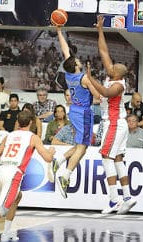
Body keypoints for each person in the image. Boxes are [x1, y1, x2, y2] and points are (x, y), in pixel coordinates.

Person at [0, 110, 55, 242]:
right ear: (31, 122)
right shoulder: (33, 137)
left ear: (18, 122)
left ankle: (6, 233)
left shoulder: (9, 136)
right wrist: (51, 151)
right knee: (2, 208)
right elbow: (48, 158)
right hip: (13, 173)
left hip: (2, 169)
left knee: (17, 196)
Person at [86, 15, 137, 214]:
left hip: (114, 123)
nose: (110, 66)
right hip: (117, 123)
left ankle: (114, 200)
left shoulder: (118, 85)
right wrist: (100, 28)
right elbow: (103, 50)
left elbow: (105, 93)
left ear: (118, 74)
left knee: (106, 157)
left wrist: (90, 79)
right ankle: (127, 197)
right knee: (117, 159)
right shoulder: (113, 74)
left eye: (113, 68)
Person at [48, 24, 100, 198]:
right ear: (76, 66)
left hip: (74, 110)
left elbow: (65, 51)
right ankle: (65, 175)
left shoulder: (69, 74)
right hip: (84, 112)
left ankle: (59, 161)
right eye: (77, 61)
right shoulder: (83, 77)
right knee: (83, 147)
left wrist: (59, 32)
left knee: (81, 147)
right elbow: (97, 96)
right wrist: (94, 81)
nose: (78, 60)